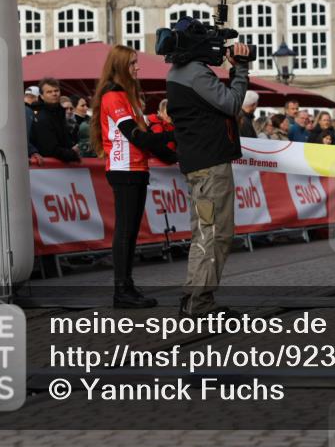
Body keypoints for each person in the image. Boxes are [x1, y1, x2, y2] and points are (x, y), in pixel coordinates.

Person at [166, 19, 251, 319]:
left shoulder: (178, 72)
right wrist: (240, 70)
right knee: (215, 234)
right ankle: (200, 303)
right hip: (211, 167)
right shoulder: (195, 74)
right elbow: (231, 104)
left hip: (199, 166)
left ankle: (194, 298)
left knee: (204, 232)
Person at [90, 46, 177, 308]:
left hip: (136, 168)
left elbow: (146, 137)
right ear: (119, 67)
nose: (137, 68)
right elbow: (136, 136)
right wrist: (175, 136)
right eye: (132, 64)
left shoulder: (127, 97)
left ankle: (126, 285)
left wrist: (176, 154)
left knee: (130, 231)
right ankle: (121, 290)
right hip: (124, 169)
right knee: (126, 231)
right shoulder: (114, 95)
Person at [31, 78, 80, 163]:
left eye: (56, 91)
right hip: (49, 169)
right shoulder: (41, 117)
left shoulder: (59, 113)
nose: (54, 94)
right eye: (49, 92)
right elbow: (50, 149)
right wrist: (72, 153)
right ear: (42, 96)